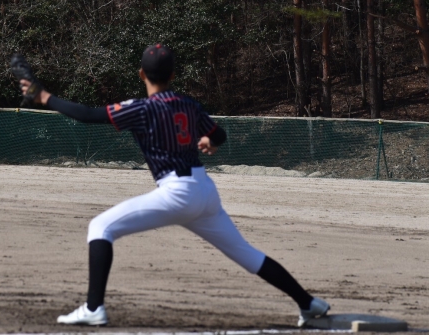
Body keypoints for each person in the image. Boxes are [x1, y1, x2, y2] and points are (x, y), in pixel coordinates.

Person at [19, 44, 330, 327]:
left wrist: (44, 97)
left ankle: (93, 308)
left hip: (177, 193)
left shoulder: (141, 109)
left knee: (101, 227)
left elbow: (88, 115)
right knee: (247, 254)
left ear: (141, 74)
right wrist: (209, 140)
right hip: (204, 191)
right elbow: (219, 135)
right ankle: (308, 303)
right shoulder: (188, 104)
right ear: (173, 75)